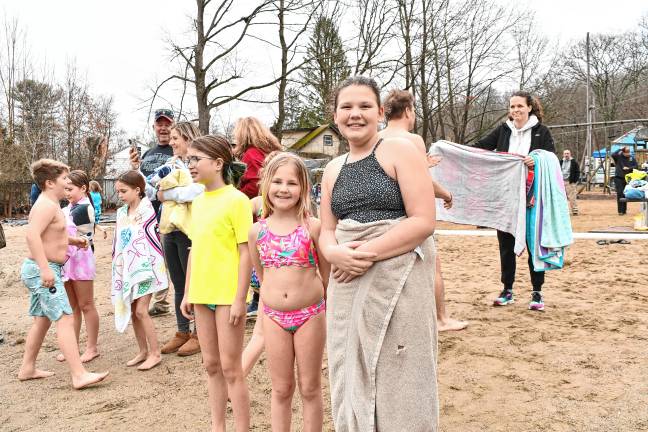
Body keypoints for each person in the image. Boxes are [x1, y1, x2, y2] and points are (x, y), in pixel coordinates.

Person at [320, 76, 439, 431]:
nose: (355, 114)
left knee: (402, 366)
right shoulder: (332, 169)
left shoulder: (400, 150)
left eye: (364, 106)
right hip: (346, 280)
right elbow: (326, 228)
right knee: (349, 362)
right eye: (346, 107)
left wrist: (364, 254)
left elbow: (423, 220)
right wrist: (334, 254)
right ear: (335, 115)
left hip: (399, 275)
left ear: (380, 113)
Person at [248, 152, 330, 431]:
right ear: (267, 185)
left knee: (309, 387)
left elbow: (328, 277)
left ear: (303, 188)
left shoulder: (313, 228)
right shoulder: (256, 231)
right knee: (281, 389)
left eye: (292, 183)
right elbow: (262, 274)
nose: (284, 189)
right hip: (273, 318)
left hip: (311, 315)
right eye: (278, 182)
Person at [180, 135, 252, 431]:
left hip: (227, 294)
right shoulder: (197, 202)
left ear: (218, 163)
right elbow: (195, 249)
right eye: (189, 160)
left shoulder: (237, 200)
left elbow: (245, 251)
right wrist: (187, 292)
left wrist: (239, 298)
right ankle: (217, 426)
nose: (191, 165)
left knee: (231, 367)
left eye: (196, 159)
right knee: (210, 365)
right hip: (201, 293)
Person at [380, 89, 468, 332]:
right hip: (410, 213)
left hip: (385, 214)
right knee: (433, 266)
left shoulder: (377, 137)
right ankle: (441, 318)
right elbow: (421, 182)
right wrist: (446, 194)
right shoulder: (412, 140)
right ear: (408, 110)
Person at [17, 159, 109, 389]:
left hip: (44, 267)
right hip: (42, 268)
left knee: (43, 319)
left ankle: (27, 368)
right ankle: (79, 374)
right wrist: (46, 268)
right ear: (49, 183)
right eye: (64, 179)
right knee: (66, 318)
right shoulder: (46, 205)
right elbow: (32, 236)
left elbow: (52, 234)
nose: (67, 183)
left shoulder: (51, 204)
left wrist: (74, 240)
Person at [474, 90, 555, 311]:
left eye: (519, 106)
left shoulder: (541, 132)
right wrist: (453, 150)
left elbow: (551, 157)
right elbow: (481, 147)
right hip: (506, 198)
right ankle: (507, 289)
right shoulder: (503, 131)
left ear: (529, 107)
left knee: (532, 245)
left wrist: (536, 159)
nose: (515, 110)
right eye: (512, 107)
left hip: (532, 199)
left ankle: (537, 292)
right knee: (505, 246)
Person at [154, 121, 205, 357]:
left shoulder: (199, 162)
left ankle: (199, 333)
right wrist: (167, 195)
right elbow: (155, 191)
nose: (171, 142)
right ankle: (182, 331)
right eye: (171, 138)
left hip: (190, 230)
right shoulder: (170, 164)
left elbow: (196, 191)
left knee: (192, 283)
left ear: (187, 138)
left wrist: (170, 194)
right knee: (177, 281)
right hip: (169, 228)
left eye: (176, 138)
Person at [112, 171, 168, 370]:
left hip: (147, 267)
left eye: (124, 191)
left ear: (138, 190)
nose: (120, 195)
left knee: (142, 310)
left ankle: (155, 352)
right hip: (129, 268)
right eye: (118, 192)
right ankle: (143, 350)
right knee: (134, 312)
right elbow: (119, 242)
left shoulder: (148, 210)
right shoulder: (121, 213)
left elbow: (149, 239)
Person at [233, 117, 283, 317]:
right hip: (272, 208)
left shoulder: (250, 155)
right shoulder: (268, 152)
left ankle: (260, 299)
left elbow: (254, 183)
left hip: (260, 210)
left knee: (259, 256)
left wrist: (238, 192)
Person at [130, 108, 175, 316]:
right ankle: (160, 301)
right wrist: (135, 167)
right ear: (154, 127)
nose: (163, 128)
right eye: (160, 124)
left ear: (173, 125)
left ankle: (166, 301)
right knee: (153, 257)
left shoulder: (177, 150)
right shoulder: (148, 153)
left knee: (170, 258)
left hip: (169, 212)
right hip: (148, 212)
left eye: (167, 123)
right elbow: (140, 184)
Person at [55, 170, 100, 364]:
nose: (67, 193)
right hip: (67, 259)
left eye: (70, 189)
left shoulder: (82, 208)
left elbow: (64, 227)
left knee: (86, 305)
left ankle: (92, 347)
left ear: (83, 188)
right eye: (64, 189)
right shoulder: (70, 207)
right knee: (73, 307)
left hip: (80, 258)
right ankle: (72, 347)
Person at [611, 146, 637, 215]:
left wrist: (628, 168)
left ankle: (624, 210)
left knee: (625, 194)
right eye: (626, 153)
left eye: (629, 152)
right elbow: (613, 154)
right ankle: (620, 211)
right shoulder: (618, 157)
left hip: (627, 179)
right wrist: (620, 148)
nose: (628, 154)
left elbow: (636, 166)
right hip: (618, 178)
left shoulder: (631, 158)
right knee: (620, 193)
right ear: (623, 152)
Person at [561, 150, 580, 216]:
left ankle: (574, 210)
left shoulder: (574, 162)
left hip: (570, 182)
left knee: (572, 197)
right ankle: (563, 211)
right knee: (561, 197)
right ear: (563, 154)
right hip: (561, 182)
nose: (566, 155)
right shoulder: (560, 162)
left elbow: (577, 172)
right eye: (565, 153)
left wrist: (575, 181)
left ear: (570, 154)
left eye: (568, 153)